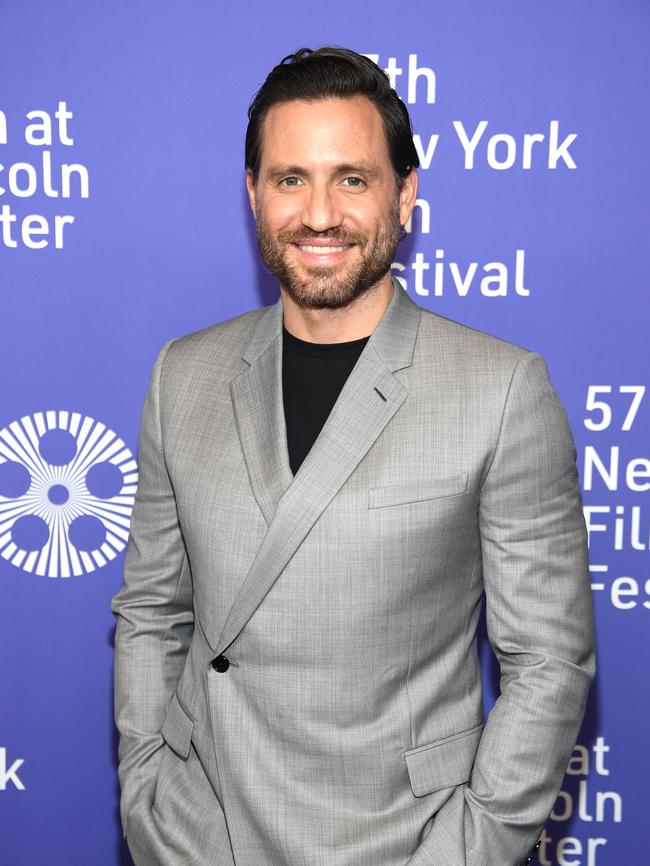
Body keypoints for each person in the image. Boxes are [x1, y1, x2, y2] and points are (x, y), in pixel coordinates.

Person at [112, 46, 596, 866]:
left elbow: (548, 662)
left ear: (405, 195)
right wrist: (146, 789)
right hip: (200, 834)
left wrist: (464, 853)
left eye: (353, 178)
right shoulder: (181, 374)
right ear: (254, 195)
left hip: (394, 842)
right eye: (291, 179)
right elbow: (154, 612)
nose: (320, 214)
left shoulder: (500, 389)